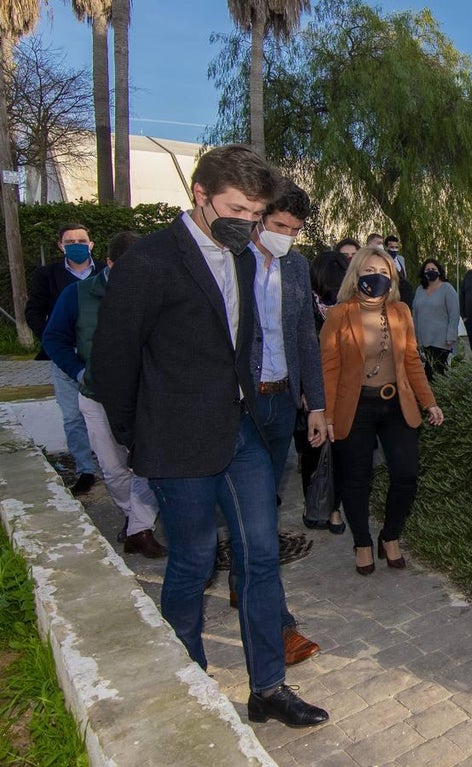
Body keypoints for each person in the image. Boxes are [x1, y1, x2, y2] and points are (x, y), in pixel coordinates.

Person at [90, 144, 328, 728]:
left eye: (256, 213)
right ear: (199, 195)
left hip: (238, 430)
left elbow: (241, 343)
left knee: (261, 554)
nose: (247, 223)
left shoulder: (245, 257)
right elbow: (112, 365)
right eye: (237, 209)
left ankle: (268, 687)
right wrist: (136, 438)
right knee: (193, 562)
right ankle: (190, 684)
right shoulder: (150, 261)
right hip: (175, 443)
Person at [241, 176, 326, 667]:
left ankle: (243, 585)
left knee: (263, 506)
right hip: (239, 405)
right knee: (257, 519)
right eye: (278, 226)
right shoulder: (231, 261)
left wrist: (315, 403)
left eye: (294, 229)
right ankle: (279, 625)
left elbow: (304, 336)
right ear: (257, 217)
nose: (286, 236)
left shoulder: (295, 267)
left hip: (281, 405)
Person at [41, 231, 166, 558]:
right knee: (112, 469)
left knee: (145, 464)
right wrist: (79, 371)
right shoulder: (77, 295)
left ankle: (140, 528)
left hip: (145, 397)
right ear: (108, 263)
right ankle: (131, 515)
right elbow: (53, 339)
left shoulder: (155, 292)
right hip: (96, 395)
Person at [320, 246, 444, 576]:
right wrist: (327, 414)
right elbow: (328, 368)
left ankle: (390, 536)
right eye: (369, 272)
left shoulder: (400, 311)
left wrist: (429, 401)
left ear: (392, 278)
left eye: (384, 273)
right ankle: (362, 541)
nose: (377, 278)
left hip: (396, 404)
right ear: (356, 274)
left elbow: (412, 360)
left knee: (406, 474)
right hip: (355, 405)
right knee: (356, 479)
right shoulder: (340, 314)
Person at [26, 223, 100, 494]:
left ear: (91, 244)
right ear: (61, 245)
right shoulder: (48, 276)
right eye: (70, 241)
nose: (77, 245)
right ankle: (85, 469)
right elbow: (33, 311)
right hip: (65, 358)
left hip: (100, 358)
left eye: (82, 240)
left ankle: (114, 464)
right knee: (73, 417)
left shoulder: (105, 272)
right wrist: (53, 338)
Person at [297, 251, 348, 534]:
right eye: (327, 294)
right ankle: (311, 503)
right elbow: (301, 352)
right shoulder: (305, 309)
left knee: (340, 452)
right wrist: (306, 391)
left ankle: (334, 508)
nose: (332, 300)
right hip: (312, 394)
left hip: (343, 392)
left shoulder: (350, 309)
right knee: (313, 451)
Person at [411, 257, 460, 380]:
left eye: (433, 269)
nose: (430, 271)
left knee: (437, 373)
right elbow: (415, 313)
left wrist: (451, 335)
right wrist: (414, 337)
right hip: (424, 339)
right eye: (427, 269)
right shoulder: (420, 290)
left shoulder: (447, 289)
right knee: (428, 372)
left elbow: (454, 314)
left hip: (442, 340)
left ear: (439, 271)